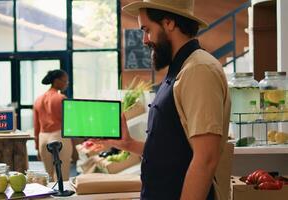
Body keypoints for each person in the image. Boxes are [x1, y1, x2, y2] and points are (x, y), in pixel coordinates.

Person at [93, 0, 231, 199]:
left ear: (169, 23)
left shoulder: (198, 69)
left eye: (147, 29)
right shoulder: (181, 68)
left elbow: (206, 158)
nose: (144, 40)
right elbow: (174, 153)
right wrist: (128, 144)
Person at [33, 69, 73, 181]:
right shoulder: (61, 98)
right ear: (56, 81)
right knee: (62, 175)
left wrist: (37, 147)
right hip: (59, 136)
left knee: (49, 176)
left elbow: (36, 125)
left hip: (43, 138)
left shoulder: (38, 100)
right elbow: (68, 123)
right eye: (65, 81)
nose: (66, 84)